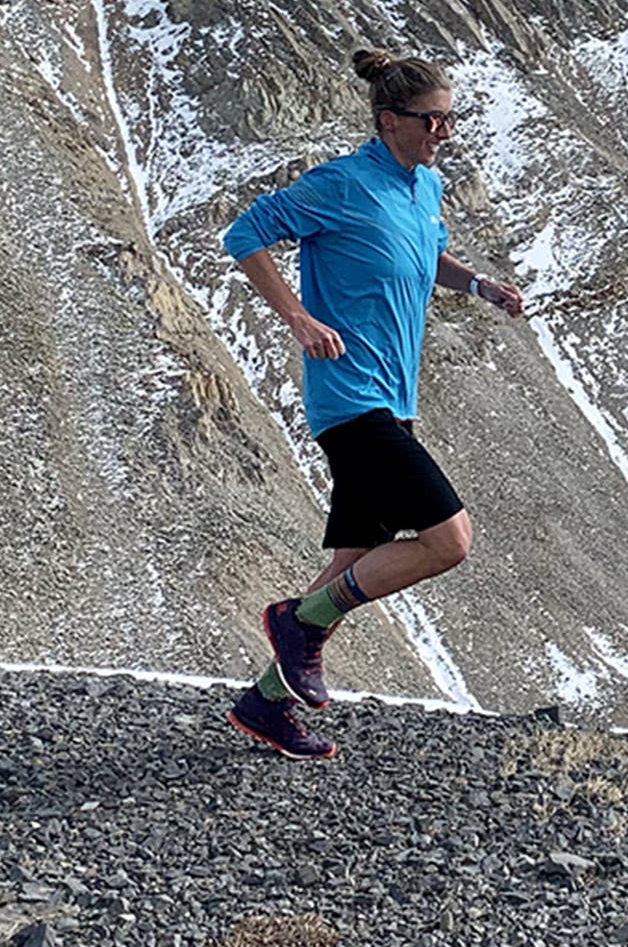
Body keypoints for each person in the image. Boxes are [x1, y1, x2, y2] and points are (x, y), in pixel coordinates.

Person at [218, 47, 525, 759]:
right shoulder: (343, 184)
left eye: (450, 119)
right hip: (351, 398)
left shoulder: (423, 188)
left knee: (356, 558)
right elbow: (245, 235)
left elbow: (425, 256)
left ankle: (265, 704)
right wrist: (297, 316)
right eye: (432, 120)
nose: (443, 132)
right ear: (389, 120)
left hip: (395, 398)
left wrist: (479, 286)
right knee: (448, 540)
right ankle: (294, 623)